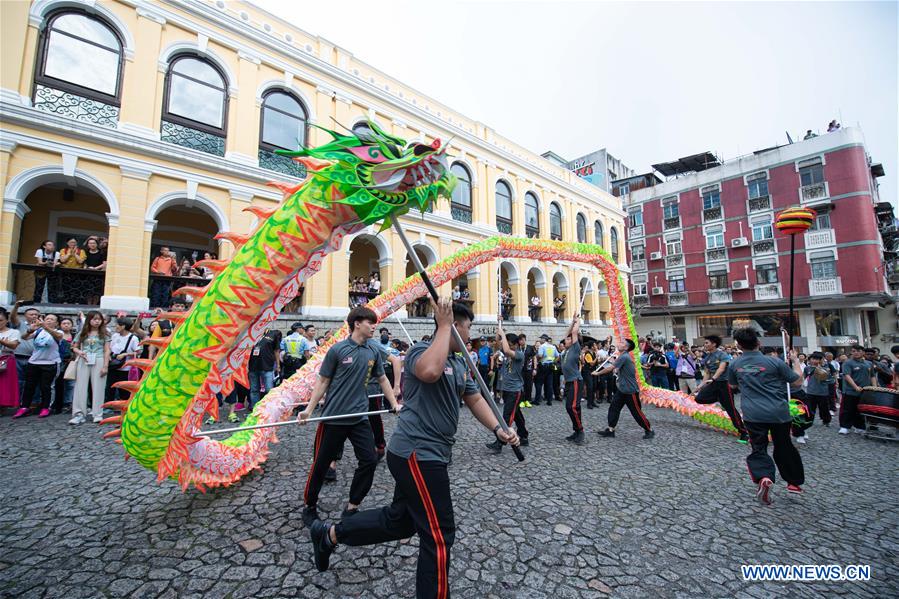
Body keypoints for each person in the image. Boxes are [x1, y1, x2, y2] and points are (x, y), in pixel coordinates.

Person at [306, 299, 519, 597]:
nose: (470, 335)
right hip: (418, 454)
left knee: (401, 521)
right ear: (453, 326)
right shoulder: (421, 352)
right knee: (439, 535)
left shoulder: (459, 363)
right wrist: (444, 325)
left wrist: (499, 429)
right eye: (467, 328)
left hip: (431, 455)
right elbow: (430, 372)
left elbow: (475, 399)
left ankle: (329, 535)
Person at [298, 306, 400, 525]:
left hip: (360, 418)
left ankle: (352, 507)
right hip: (333, 418)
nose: (374, 326)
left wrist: (393, 403)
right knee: (321, 464)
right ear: (357, 324)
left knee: (369, 460)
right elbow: (323, 381)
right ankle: (309, 505)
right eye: (370, 322)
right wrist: (308, 409)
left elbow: (382, 379)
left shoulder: (373, 351)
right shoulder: (337, 350)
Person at [726, 328, 804, 504]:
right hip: (778, 412)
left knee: (758, 447)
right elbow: (797, 381)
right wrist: (795, 361)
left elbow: (732, 386)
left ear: (738, 345)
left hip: (753, 413)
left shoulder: (735, 364)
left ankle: (764, 477)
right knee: (784, 446)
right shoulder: (774, 362)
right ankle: (793, 482)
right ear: (758, 343)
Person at [693, 335, 749, 443]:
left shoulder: (722, 354)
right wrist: (699, 386)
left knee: (731, 410)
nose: (704, 345)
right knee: (699, 399)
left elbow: (721, 368)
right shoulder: (707, 358)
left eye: (706, 343)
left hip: (724, 384)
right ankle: (719, 398)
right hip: (714, 383)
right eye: (704, 343)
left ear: (714, 344)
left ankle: (744, 432)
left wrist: (713, 379)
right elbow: (707, 373)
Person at [596, 338, 654, 440]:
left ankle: (649, 430)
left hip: (630, 390)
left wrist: (597, 373)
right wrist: (614, 363)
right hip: (622, 389)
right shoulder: (622, 357)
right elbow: (617, 368)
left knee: (636, 412)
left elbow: (610, 368)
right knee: (614, 408)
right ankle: (610, 430)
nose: (619, 343)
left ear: (626, 347)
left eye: (622, 343)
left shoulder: (625, 356)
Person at [486, 320, 529, 453]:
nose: (508, 347)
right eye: (508, 344)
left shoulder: (519, 355)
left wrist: (503, 334)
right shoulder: (505, 353)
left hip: (515, 390)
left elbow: (505, 349)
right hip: (507, 389)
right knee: (517, 415)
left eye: (511, 345)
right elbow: (497, 347)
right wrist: (499, 329)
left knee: (506, 417)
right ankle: (524, 436)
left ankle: (500, 443)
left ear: (516, 345)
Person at [12, 313, 63, 418]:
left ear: (57, 323)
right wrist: (30, 330)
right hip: (34, 362)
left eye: (52, 319)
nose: (49, 320)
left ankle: (46, 407)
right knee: (29, 386)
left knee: (46, 386)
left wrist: (45, 326)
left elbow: (58, 337)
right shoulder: (39, 331)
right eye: (47, 318)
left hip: (50, 363)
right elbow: (24, 338)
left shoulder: (58, 332)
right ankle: (24, 407)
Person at [70, 310, 109, 424]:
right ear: (89, 320)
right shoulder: (83, 333)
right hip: (84, 359)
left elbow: (107, 350)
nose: (97, 322)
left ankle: (98, 413)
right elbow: (74, 346)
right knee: (80, 387)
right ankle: (78, 413)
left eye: (99, 319)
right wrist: (79, 352)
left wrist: (105, 366)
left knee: (99, 387)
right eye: (94, 319)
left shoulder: (105, 333)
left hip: (99, 359)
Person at [793, 352, 833, 442]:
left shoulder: (826, 368)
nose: (814, 361)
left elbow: (830, 381)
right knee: (809, 411)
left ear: (821, 360)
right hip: (810, 392)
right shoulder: (807, 368)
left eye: (817, 359)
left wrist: (823, 376)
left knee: (824, 408)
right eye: (813, 359)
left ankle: (826, 420)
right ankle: (807, 425)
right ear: (810, 359)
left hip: (823, 392)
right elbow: (802, 378)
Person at [10, 303, 40, 405]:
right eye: (31, 314)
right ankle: (17, 402)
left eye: (36, 314)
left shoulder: (42, 326)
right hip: (18, 357)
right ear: (25, 316)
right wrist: (16, 306)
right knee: (19, 381)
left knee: (33, 381)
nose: (34, 316)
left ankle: (32, 402)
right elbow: (13, 317)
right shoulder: (20, 324)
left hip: (34, 358)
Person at [839, 345, 873, 434]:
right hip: (850, 391)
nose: (856, 353)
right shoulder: (848, 363)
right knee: (848, 409)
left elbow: (872, 376)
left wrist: (875, 387)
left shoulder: (868, 363)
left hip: (865, 391)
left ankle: (859, 426)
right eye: (854, 351)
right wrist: (855, 387)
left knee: (861, 410)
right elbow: (847, 376)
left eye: (858, 351)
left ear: (863, 352)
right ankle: (844, 427)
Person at [105, 318, 140, 404]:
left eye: (117, 325)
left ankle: (124, 404)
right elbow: (110, 348)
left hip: (125, 367)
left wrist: (126, 354)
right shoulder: (115, 336)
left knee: (123, 388)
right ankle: (110, 404)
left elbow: (138, 352)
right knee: (110, 386)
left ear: (123, 326)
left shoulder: (133, 338)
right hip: (113, 364)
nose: (115, 327)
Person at [248, 328, 282, 409]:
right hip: (253, 366)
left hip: (267, 366)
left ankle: (268, 408)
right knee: (254, 389)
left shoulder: (273, 334)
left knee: (269, 389)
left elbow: (276, 351)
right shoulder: (251, 333)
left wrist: (278, 365)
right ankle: (255, 408)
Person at [0, 308, 22, 409]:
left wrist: (3, 342)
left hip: (5, 360)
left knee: (4, 386)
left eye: (0, 320)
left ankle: (3, 405)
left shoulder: (14, 332)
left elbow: (13, 345)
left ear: (6, 320)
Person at [534, 335, 557, 406]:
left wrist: (536, 357)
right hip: (550, 366)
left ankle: (537, 400)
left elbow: (540, 355)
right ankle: (549, 400)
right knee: (549, 384)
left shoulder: (542, 346)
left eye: (541, 339)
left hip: (543, 366)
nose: (540, 340)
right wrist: (553, 361)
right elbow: (558, 356)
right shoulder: (553, 347)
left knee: (539, 383)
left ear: (544, 339)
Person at [520, 334, 535, 408]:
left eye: (523, 340)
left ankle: (527, 400)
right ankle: (521, 401)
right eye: (520, 340)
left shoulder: (530, 348)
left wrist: (535, 368)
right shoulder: (518, 348)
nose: (522, 341)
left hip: (529, 369)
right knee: (521, 385)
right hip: (520, 370)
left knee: (529, 385)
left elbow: (534, 357)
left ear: (525, 340)